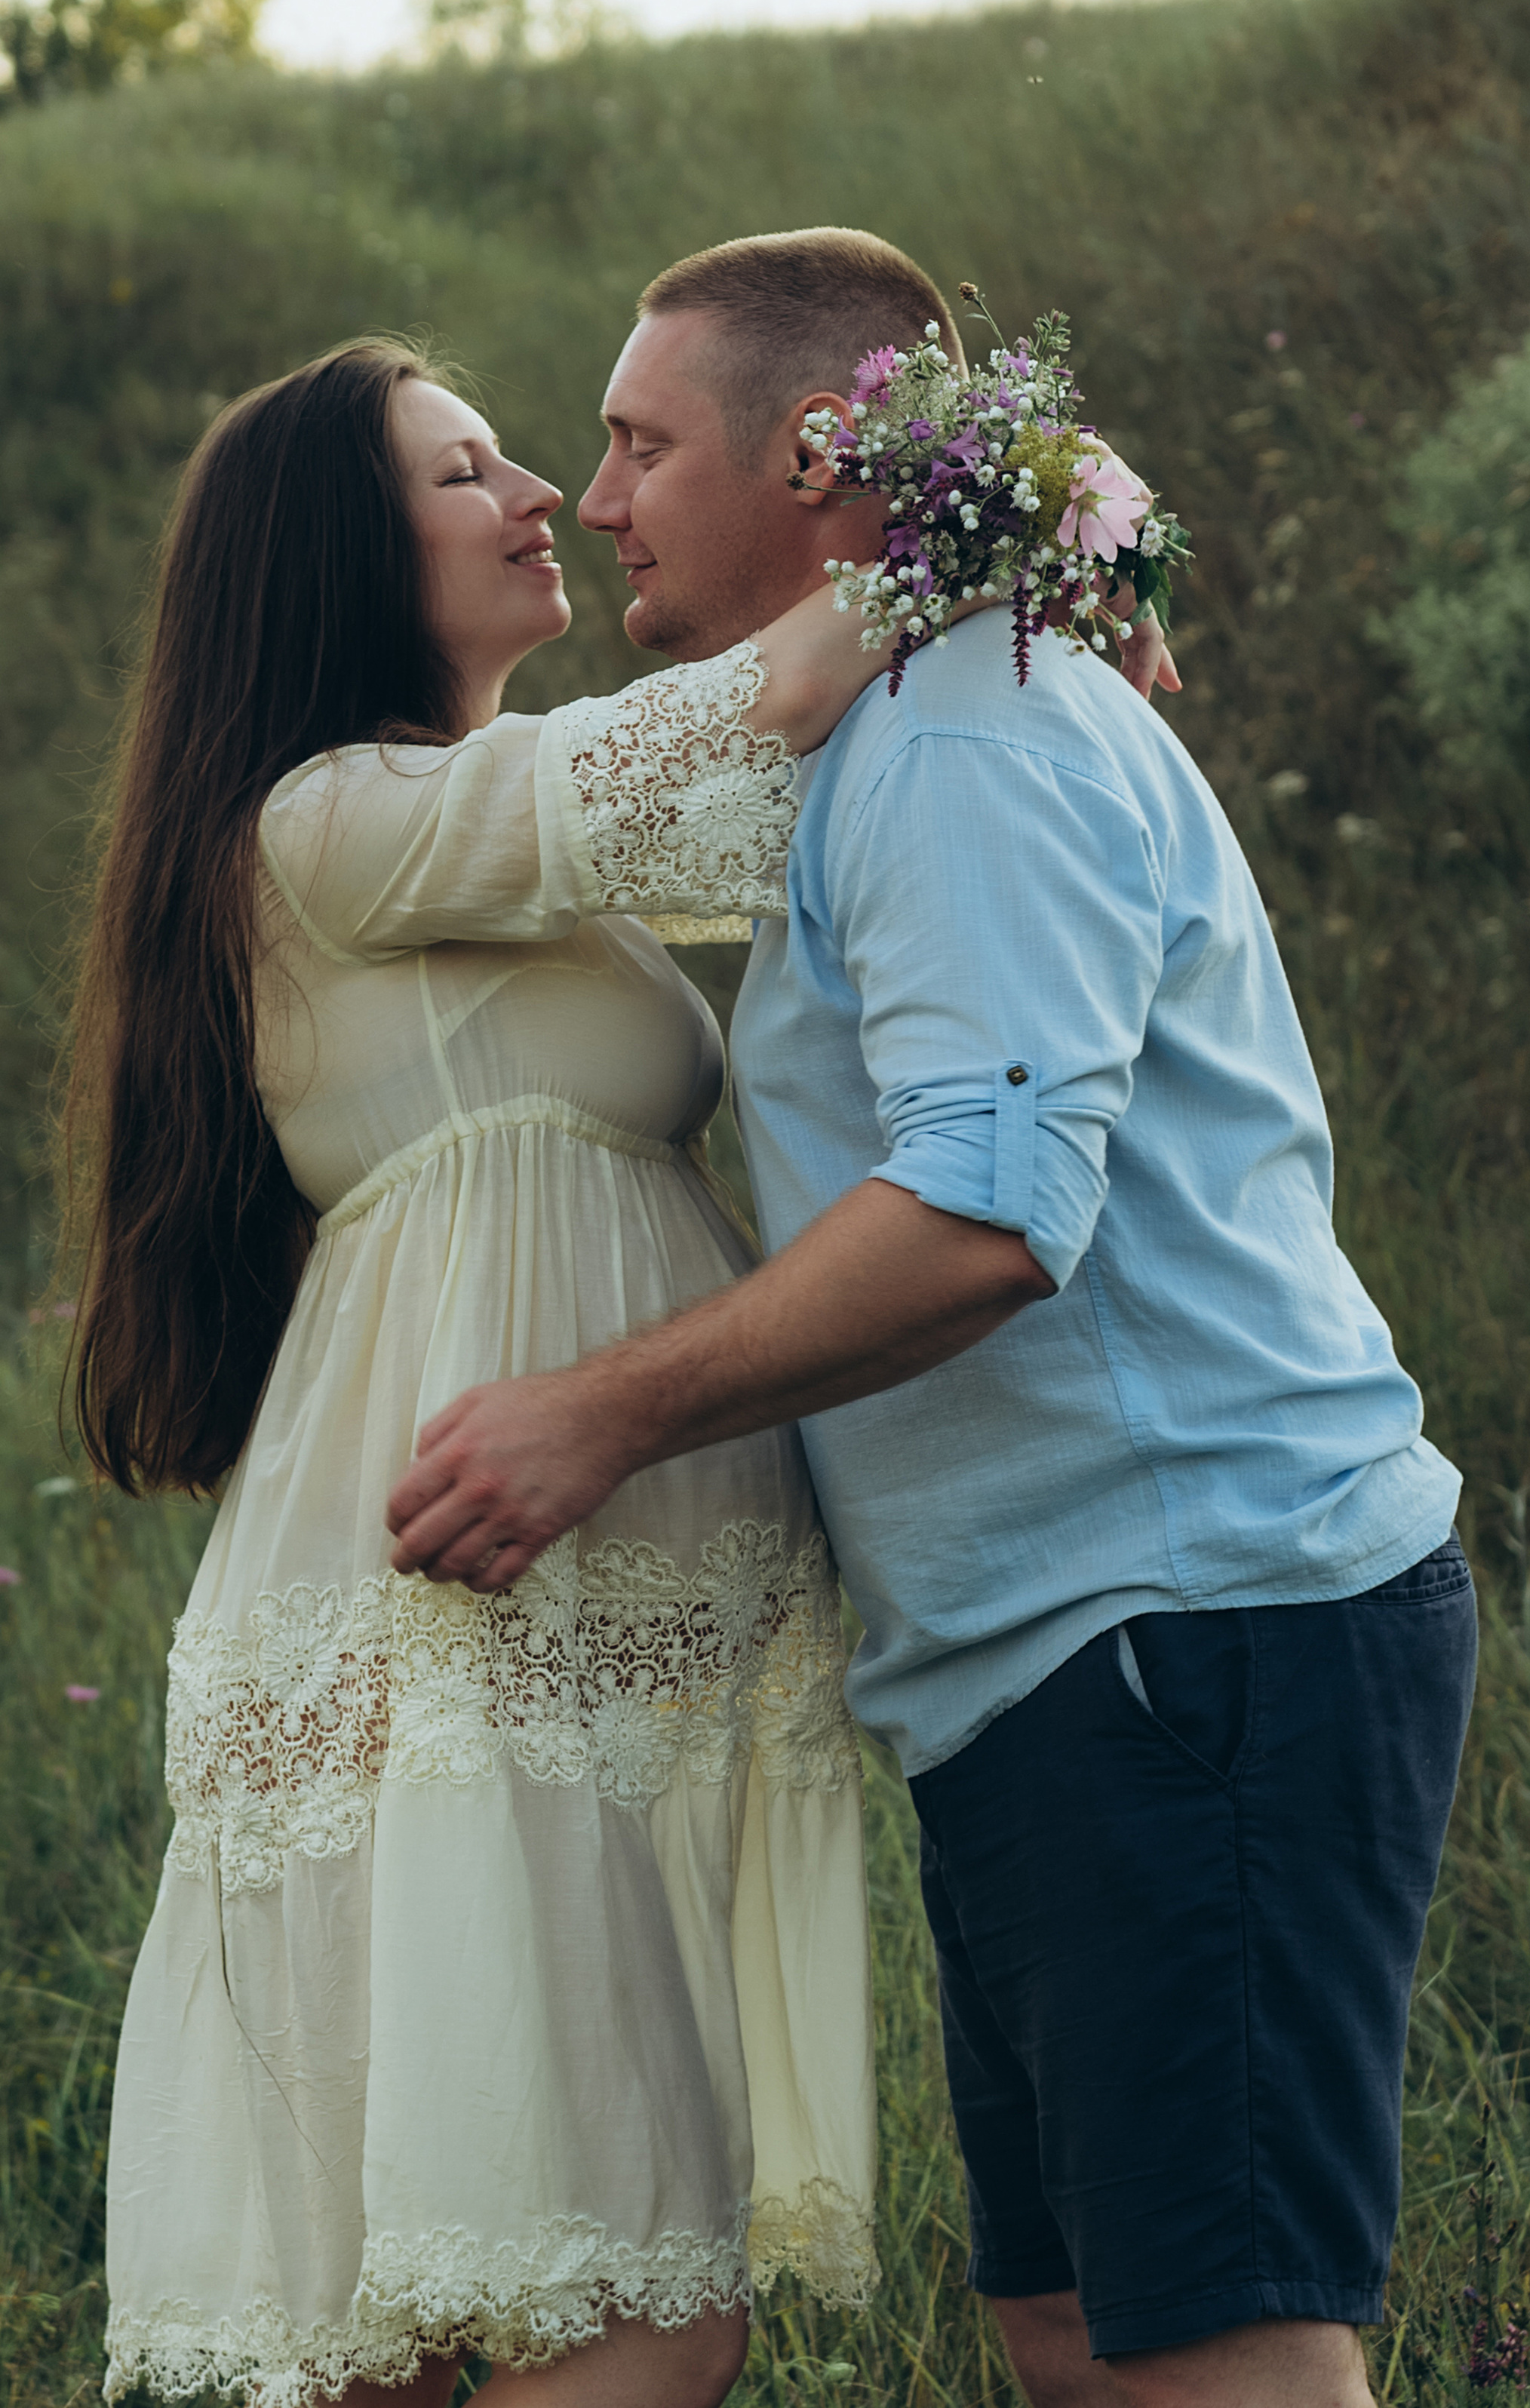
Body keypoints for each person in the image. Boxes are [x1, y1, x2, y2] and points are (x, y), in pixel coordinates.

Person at [388, 231, 1478, 2408]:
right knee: (1072, 2335)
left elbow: (986, 1214)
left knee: (1222, 2355)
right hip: (1055, 1665)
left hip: (1187, 1634)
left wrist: (598, 1414)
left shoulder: (968, 738)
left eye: (632, 440)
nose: (596, 498)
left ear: (812, 451)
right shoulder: (892, 719)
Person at [60, 335, 916, 2408]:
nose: (543, 488)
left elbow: (802, 793)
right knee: (601, 2308)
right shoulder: (324, 824)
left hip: (573, 1655)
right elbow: (730, 719)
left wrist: (1025, 664)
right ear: (343, 557)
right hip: (468, 1650)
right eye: (467, 474)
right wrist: (983, 533)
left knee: (451, 2316)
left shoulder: (494, 858)